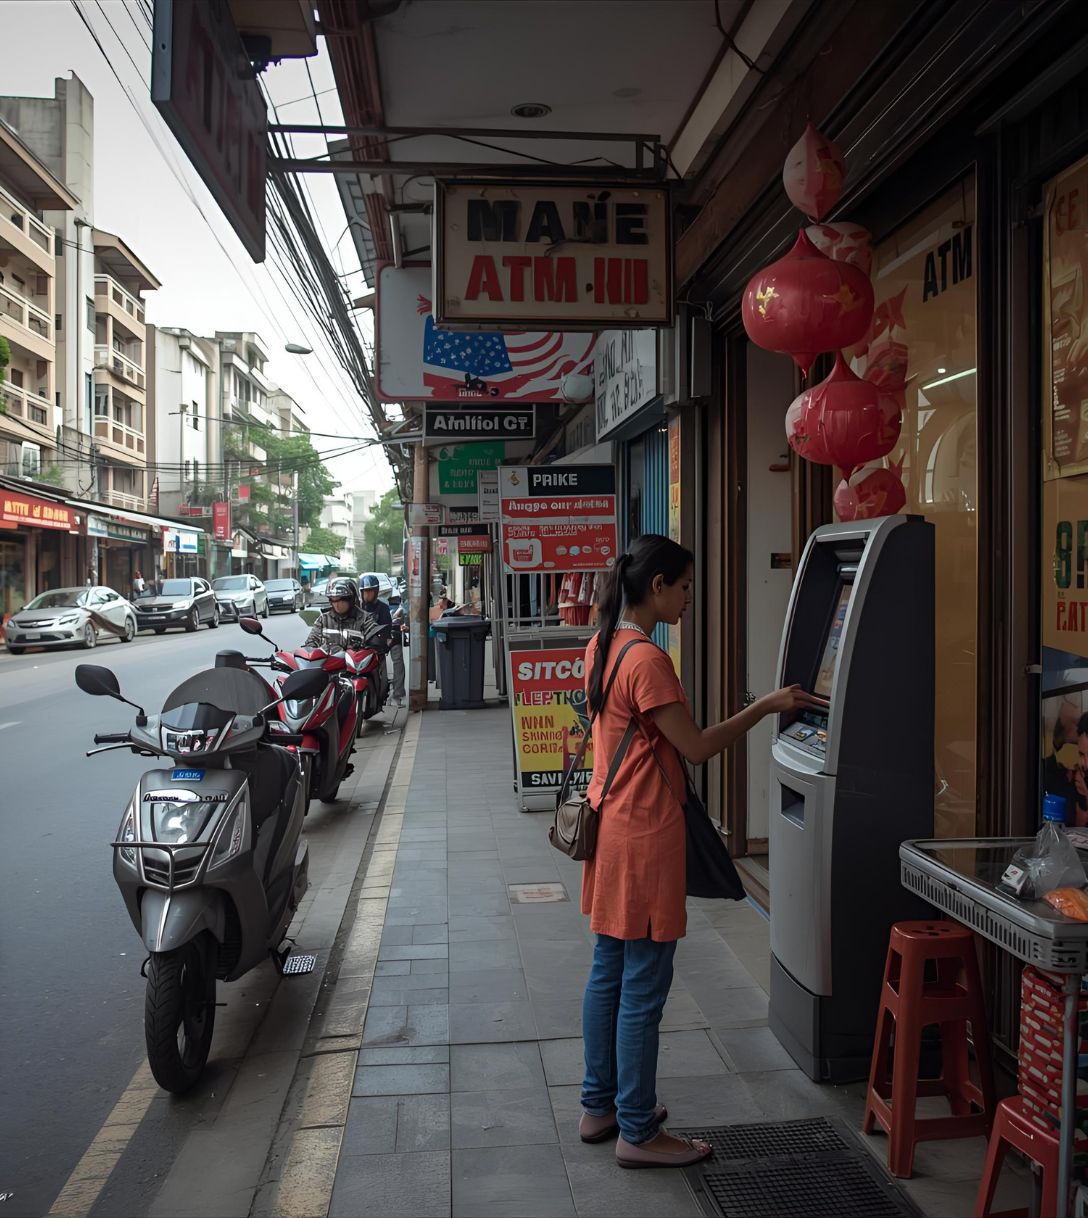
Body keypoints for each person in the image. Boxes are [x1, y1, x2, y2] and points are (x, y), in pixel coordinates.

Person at [578, 534, 822, 1169]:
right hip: (644, 836)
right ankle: (638, 1130)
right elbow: (698, 747)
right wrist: (766, 705)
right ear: (657, 585)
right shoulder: (647, 660)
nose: (690, 598)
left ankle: (599, 1106)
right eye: (685, 586)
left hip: (609, 825)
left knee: (608, 971)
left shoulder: (602, 642)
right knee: (642, 987)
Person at [302, 576, 370, 649]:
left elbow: (375, 643)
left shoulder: (365, 619)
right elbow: (311, 643)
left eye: (340, 600)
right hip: (329, 660)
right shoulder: (323, 620)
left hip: (355, 660)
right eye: (333, 600)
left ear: (351, 599)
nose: (336, 605)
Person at [388, 585, 407, 704]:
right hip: (389, 632)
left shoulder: (401, 606)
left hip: (392, 632)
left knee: (397, 662)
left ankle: (398, 692)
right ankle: (397, 692)